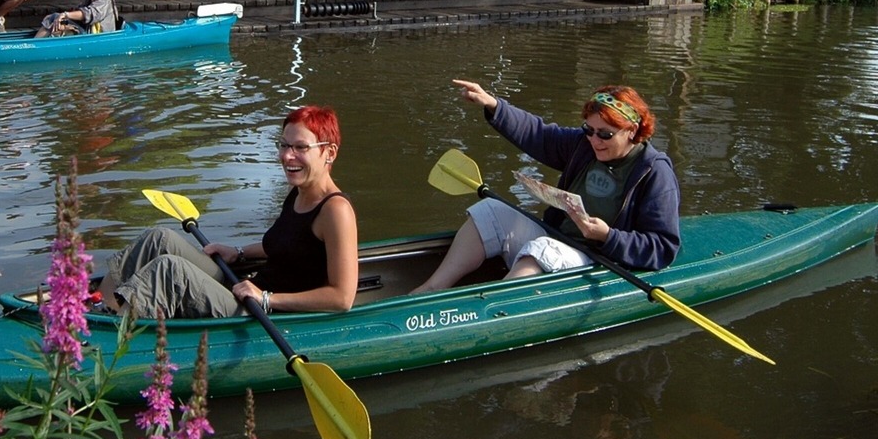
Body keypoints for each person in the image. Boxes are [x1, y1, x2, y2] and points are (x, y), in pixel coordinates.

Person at [412, 81, 680, 294]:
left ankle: (494, 310)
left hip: (598, 258)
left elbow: (663, 247)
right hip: (557, 237)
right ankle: (430, 289)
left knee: (543, 249)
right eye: (589, 130)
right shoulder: (583, 145)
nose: (595, 140)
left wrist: (607, 236)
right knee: (490, 210)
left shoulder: (654, 172)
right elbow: (539, 133)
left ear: (631, 130)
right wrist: (494, 105)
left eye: (605, 134)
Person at [98, 105, 358, 319]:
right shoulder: (298, 192)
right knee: (159, 238)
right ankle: (98, 306)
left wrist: (266, 298)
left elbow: (342, 298)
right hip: (248, 288)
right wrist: (238, 251)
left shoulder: (336, 211)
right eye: (284, 145)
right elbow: (287, 245)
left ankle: (112, 337)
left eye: (300, 148)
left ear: (329, 153)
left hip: (261, 312)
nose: (287, 156)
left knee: (170, 270)